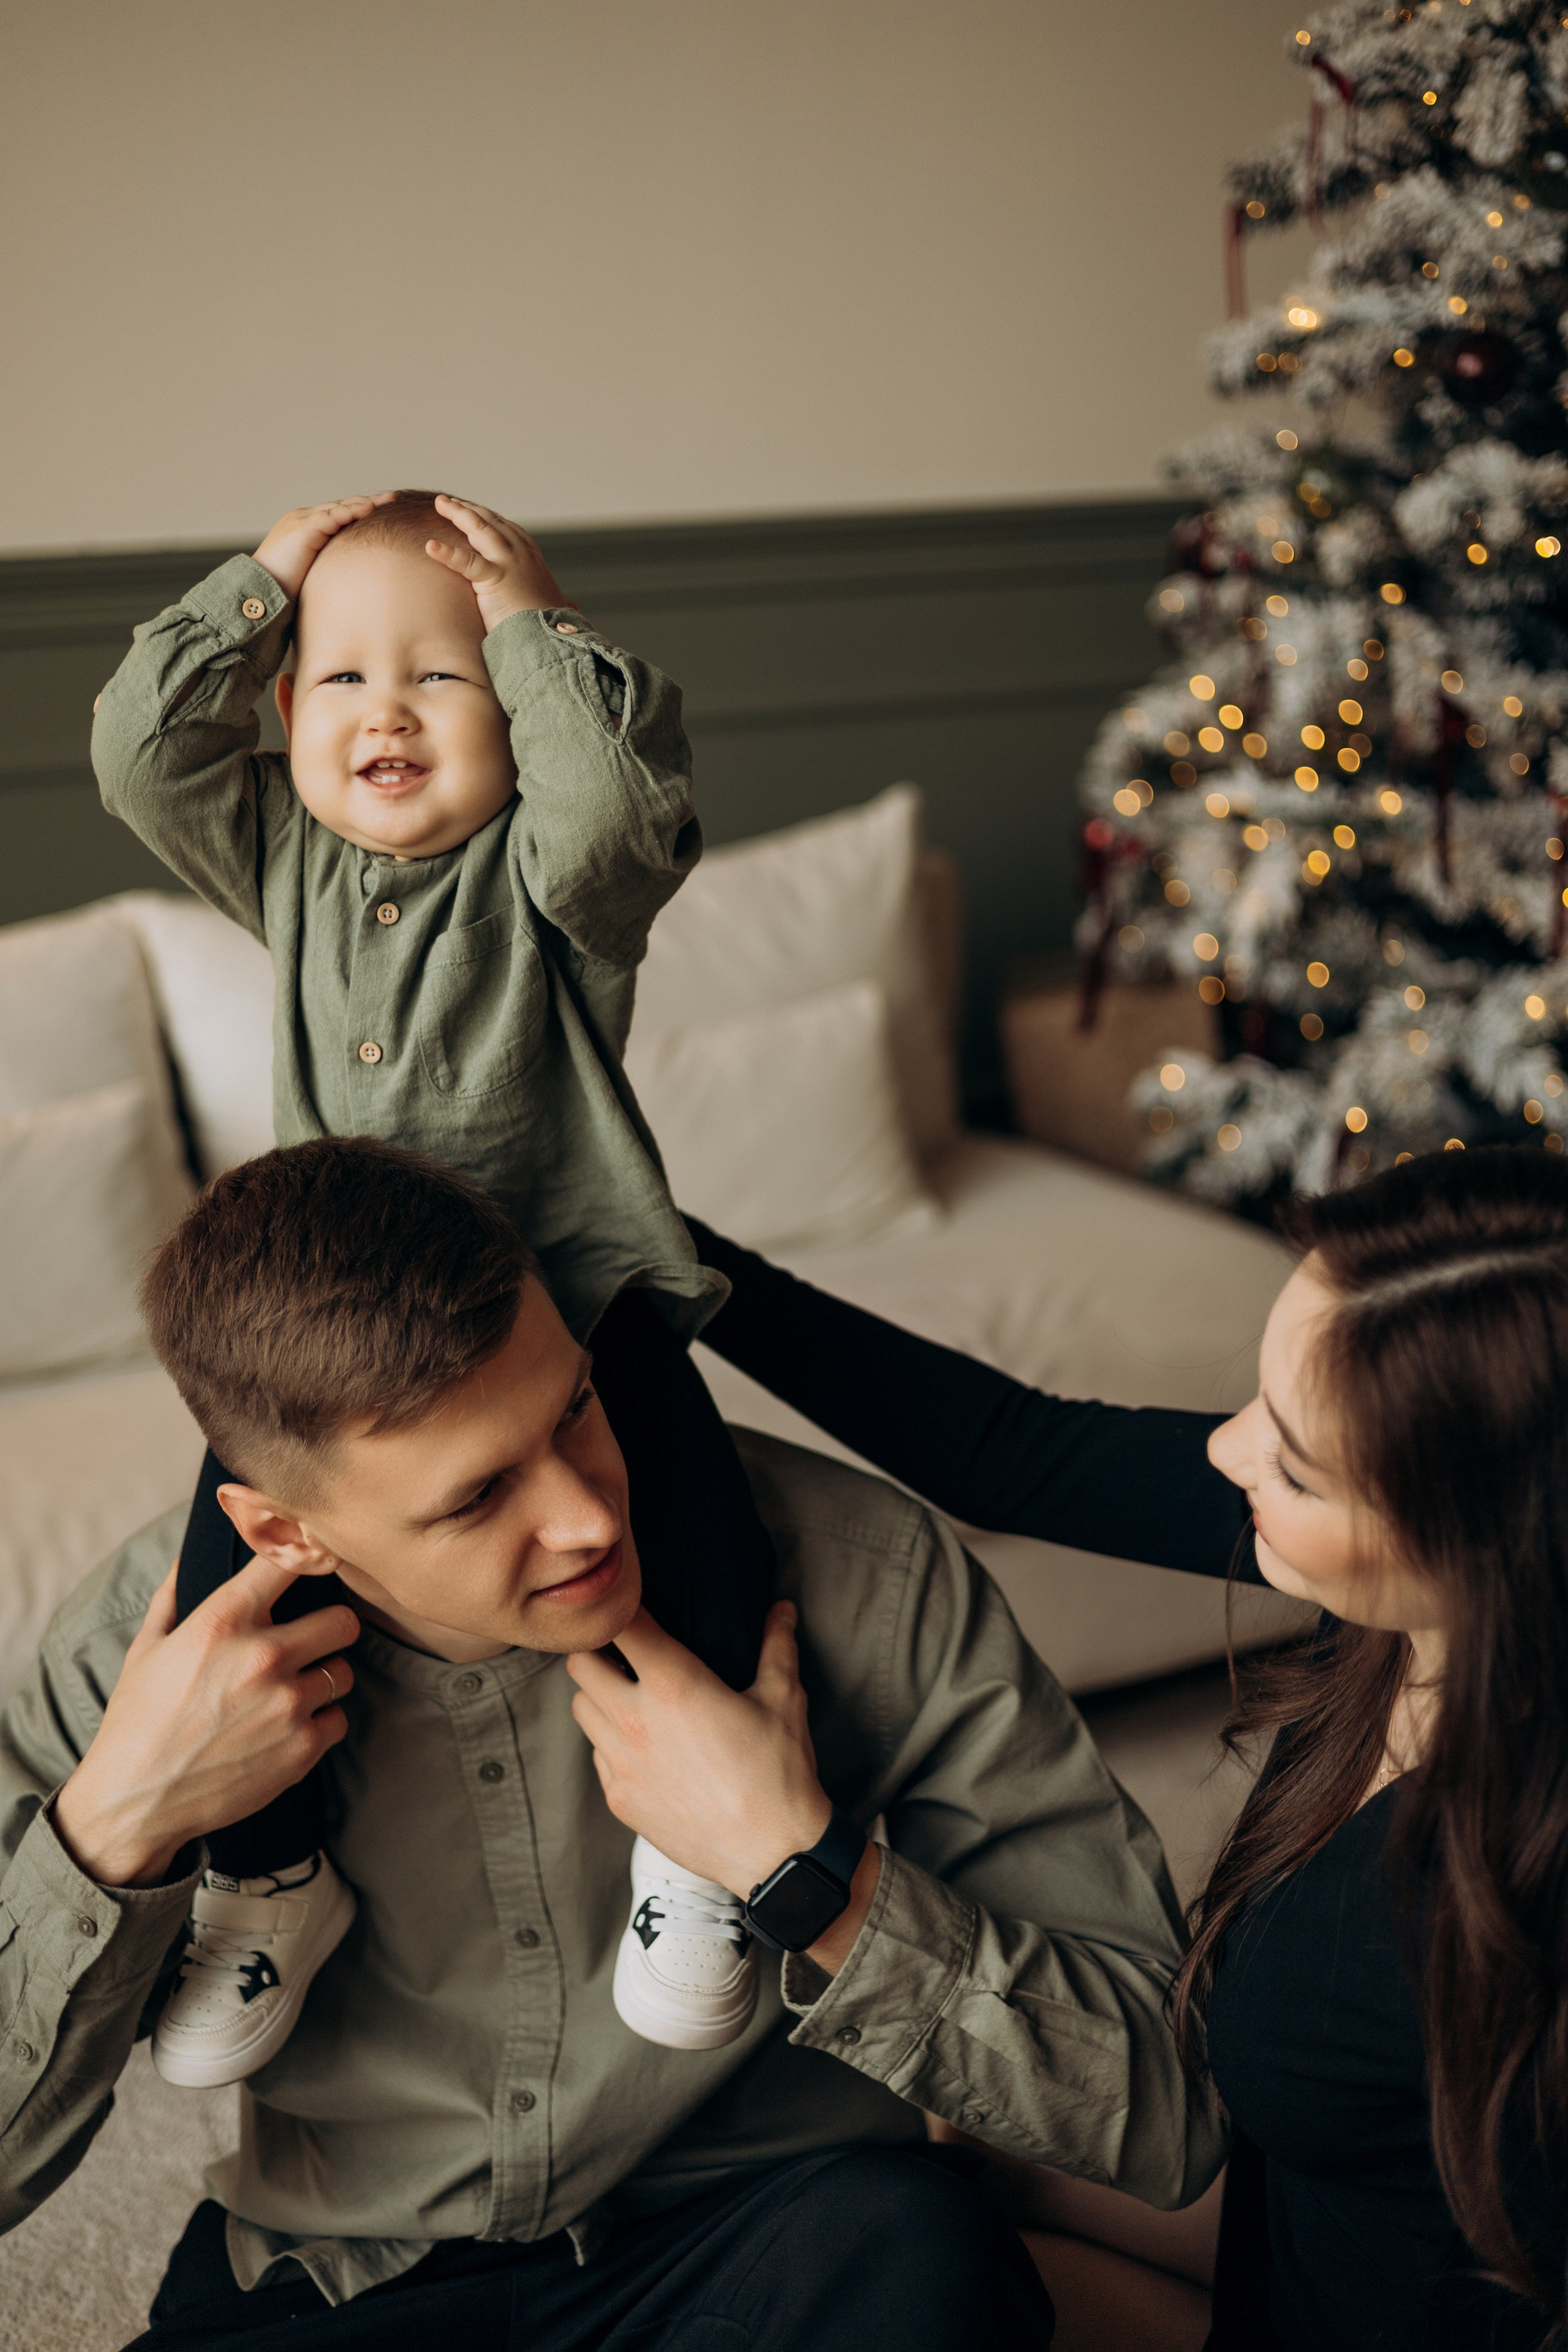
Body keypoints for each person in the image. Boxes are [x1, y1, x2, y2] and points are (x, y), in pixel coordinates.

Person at [0, 1137, 1224, 2351]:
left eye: (574, 1408)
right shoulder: (134, 1661)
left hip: (772, 2240)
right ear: (286, 1530)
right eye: (478, 1497)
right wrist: (117, 1825)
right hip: (343, 2281)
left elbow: (1165, 2118)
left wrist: (810, 1876)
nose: (588, 1515)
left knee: (921, 2262)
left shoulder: (859, 1576)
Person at [91, 489, 775, 2079]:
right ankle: (271, 1880)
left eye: (445, 677)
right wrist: (260, 581)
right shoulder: (284, 861)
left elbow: (612, 803)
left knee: (701, 1533)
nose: (386, 710)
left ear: (519, 717)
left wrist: (536, 622)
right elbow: (140, 750)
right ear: (282, 712)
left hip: (573, 1316)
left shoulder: (555, 881)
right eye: (339, 679)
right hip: (336, 1351)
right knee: (228, 1588)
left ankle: (701, 1851)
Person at [687, 1142, 1568, 2351]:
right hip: (1309, 2218)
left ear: (1470, 1535)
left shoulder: (1492, 1902)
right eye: (1257, 1401)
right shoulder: (1432, 1586)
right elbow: (1004, 1451)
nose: (1224, 1451)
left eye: (1293, 1465)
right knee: (927, 2191)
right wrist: (663, 1257)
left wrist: (802, 1870)